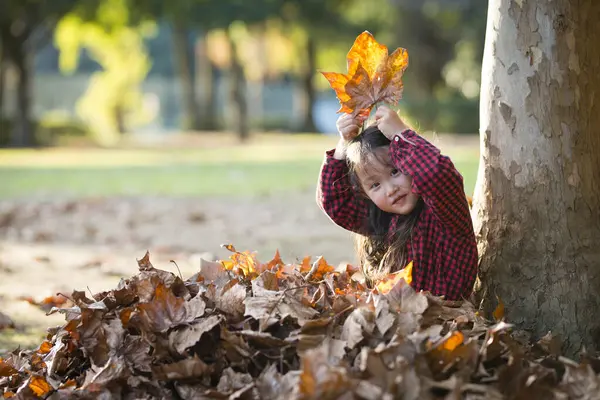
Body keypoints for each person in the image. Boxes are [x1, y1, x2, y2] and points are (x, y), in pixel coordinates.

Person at [316, 105, 478, 301]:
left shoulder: (443, 210)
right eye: (375, 185)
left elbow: (436, 174)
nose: (390, 189)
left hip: (444, 319)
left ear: (409, 161)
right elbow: (334, 202)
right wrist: (344, 144)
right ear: (365, 194)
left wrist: (402, 134)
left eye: (395, 172)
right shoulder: (380, 219)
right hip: (393, 320)